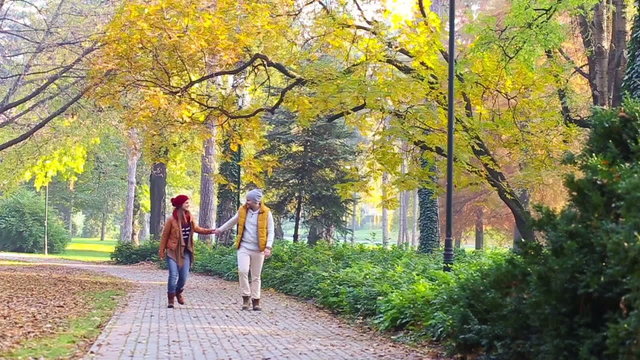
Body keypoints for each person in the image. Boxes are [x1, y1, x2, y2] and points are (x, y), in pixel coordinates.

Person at [214, 189, 274, 311]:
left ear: (256, 201)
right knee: (243, 271)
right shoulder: (243, 210)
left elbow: (271, 231)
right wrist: (220, 229)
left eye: (249, 200)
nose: (246, 202)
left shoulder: (266, 213)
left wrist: (268, 247)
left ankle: (256, 301)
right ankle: (246, 297)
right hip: (244, 247)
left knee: (256, 276)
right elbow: (232, 221)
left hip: (259, 249)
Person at [159, 195, 214, 308]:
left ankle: (178, 292)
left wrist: (211, 231)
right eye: (186, 203)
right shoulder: (171, 220)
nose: (188, 205)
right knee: (173, 275)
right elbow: (164, 236)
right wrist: (162, 250)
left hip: (186, 250)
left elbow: (197, 229)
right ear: (180, 205)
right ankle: (170, 299)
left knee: (183, 277)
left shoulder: (190, 217)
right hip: (172, 250)